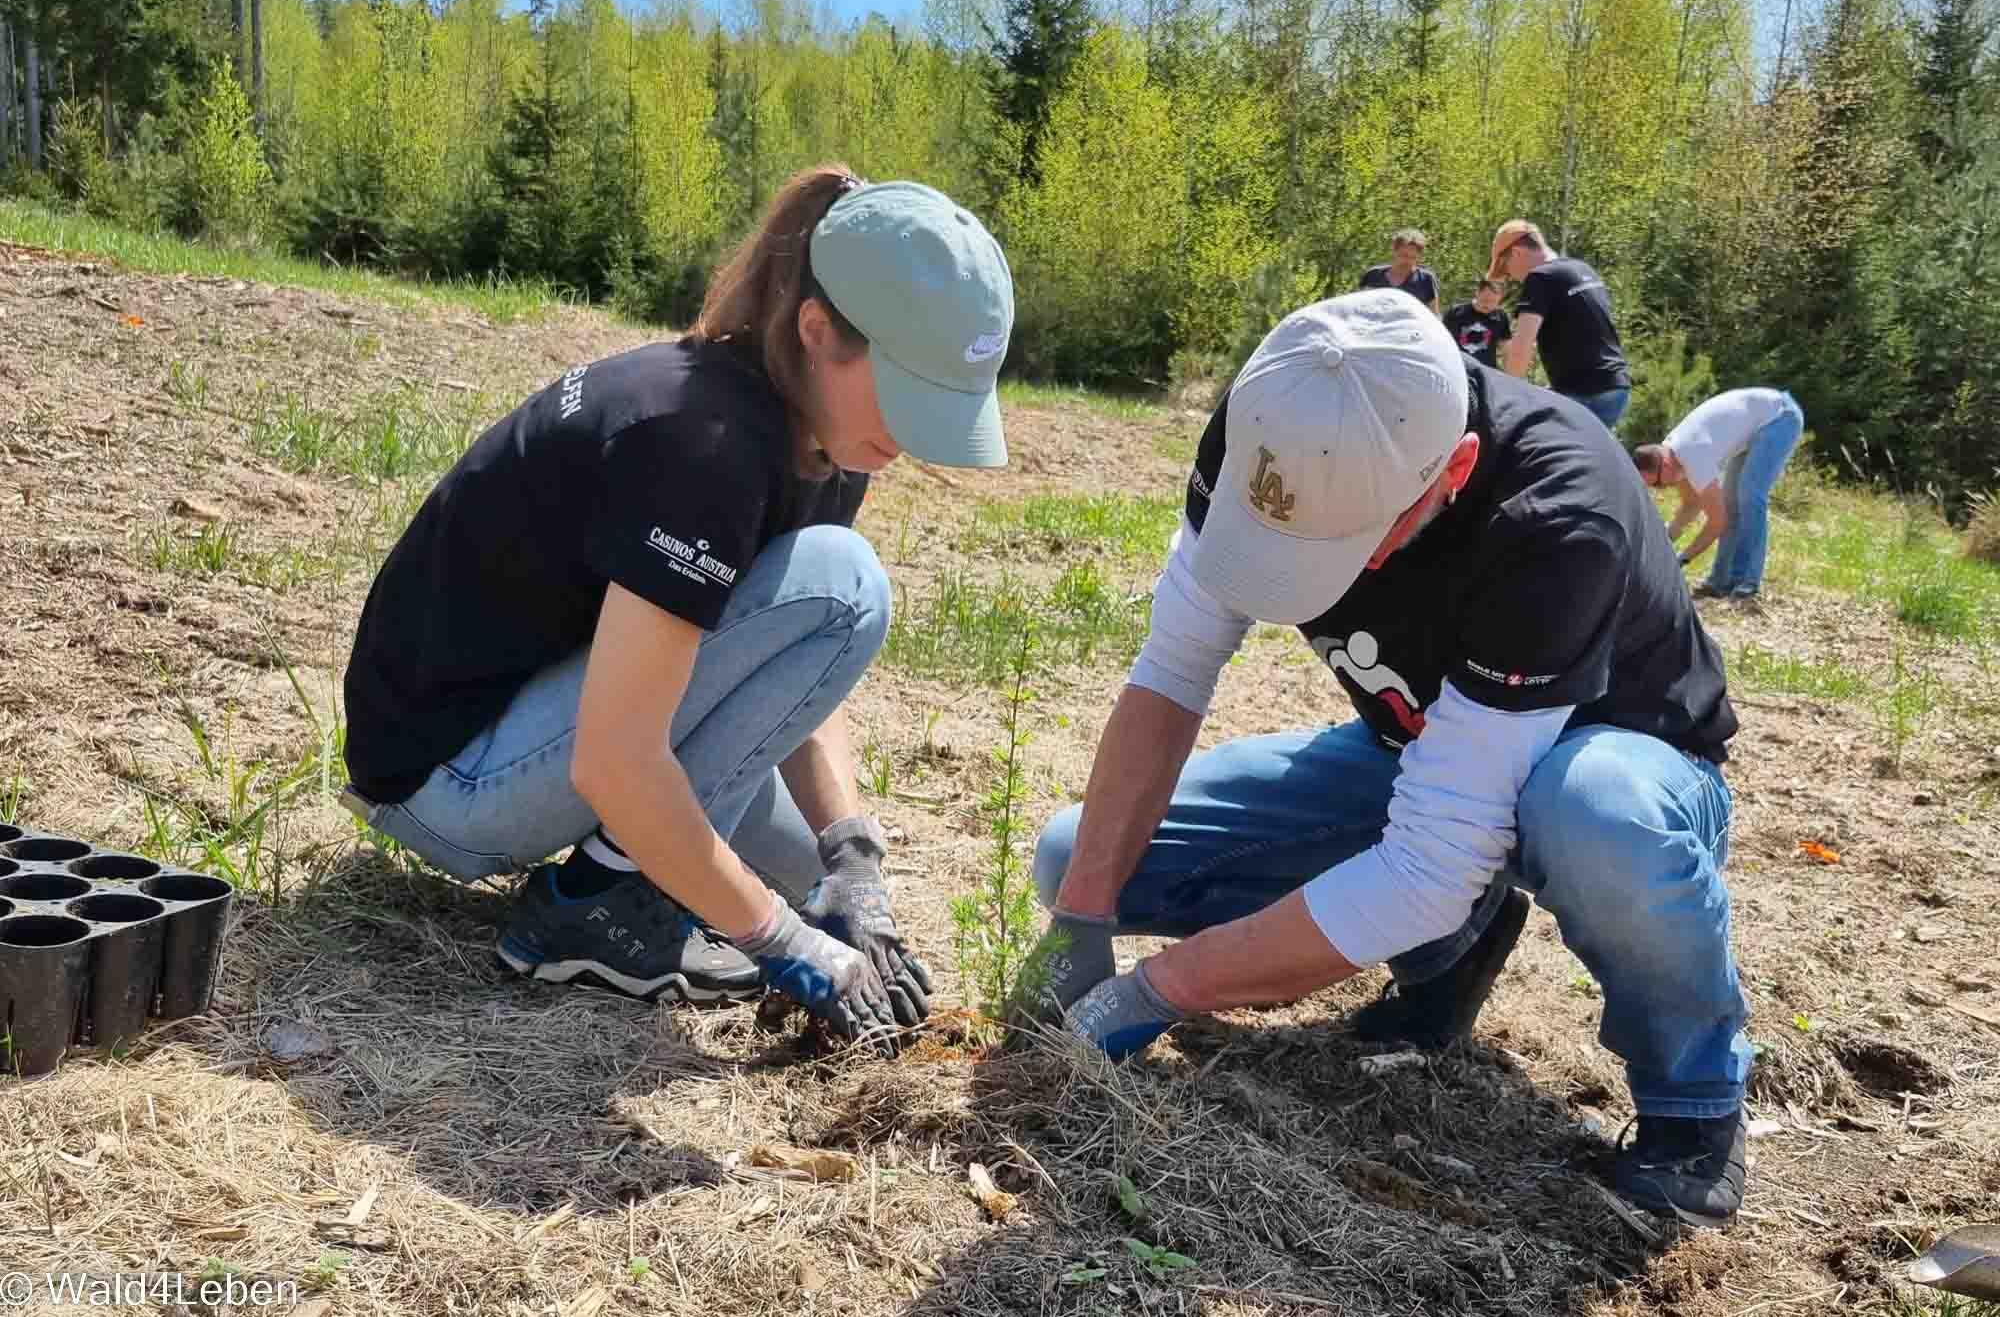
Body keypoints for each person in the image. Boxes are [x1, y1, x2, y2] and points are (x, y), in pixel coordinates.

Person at [1019, 288, 1752, 1223]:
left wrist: (1163, 988)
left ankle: (1694, 1104)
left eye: (1344, 546)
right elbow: (1171, 672)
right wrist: (1084, 915)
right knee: (1072, 855)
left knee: (1589, 813)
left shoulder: (1557, 515)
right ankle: (1456, 942)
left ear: (1453, 470)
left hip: (1619, 765)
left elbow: (1428, 861)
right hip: (1428, 759)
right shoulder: (1280, 422)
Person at [338, 166, 1015, 1052]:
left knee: (809, 874)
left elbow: (788, 663)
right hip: (450, 780)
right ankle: (591, 908)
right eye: (911, 397)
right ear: (817, 331)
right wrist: (778, 940)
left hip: (540, 721)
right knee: (847, 584)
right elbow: (618, 761)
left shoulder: (827, 433)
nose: (917, 440)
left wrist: (853, 853)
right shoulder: (704, 445)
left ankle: (636, 881)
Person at [1633, 388, 1806, 603]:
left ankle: (1746, 582)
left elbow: (1717, 523)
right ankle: (1719, 582)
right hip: (1756, 425)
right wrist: (1662, 544)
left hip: (1780, 417)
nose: (1662, 488)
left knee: (1750, 496)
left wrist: (1681, 559)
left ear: (1664, 465)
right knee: (1731, 505)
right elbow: (1690, 505)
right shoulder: (1673, 453)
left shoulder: (1691, 454)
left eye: (1658, 483)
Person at [1487, 219, 1630, 428]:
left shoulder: (1540, 277)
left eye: (1506, 268)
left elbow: (1521, 348)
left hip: (1585, 392)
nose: (1511, 277)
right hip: (1615, 386)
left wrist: (1507, 398)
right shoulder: (1581, 268)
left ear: (1517, 252)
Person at [1354, 229, 1442, 315]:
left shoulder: (1426, 279)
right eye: (1404, 255)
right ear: (1394, 251)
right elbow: (1357, 306)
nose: (1407, 261)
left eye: (1413, 257)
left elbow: (1434, 314)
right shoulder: (1373, 275)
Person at [1440, 279, 1512, 368]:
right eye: (1485, 300)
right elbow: (1442, 340)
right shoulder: (1456, 312)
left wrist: (1509, 373)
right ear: (1477, 293)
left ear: (1500, 299)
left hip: (1486, 370)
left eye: (1493, 302)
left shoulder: (1501, 317)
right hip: (1457, 367)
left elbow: (1506, 348)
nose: (1488, 304)